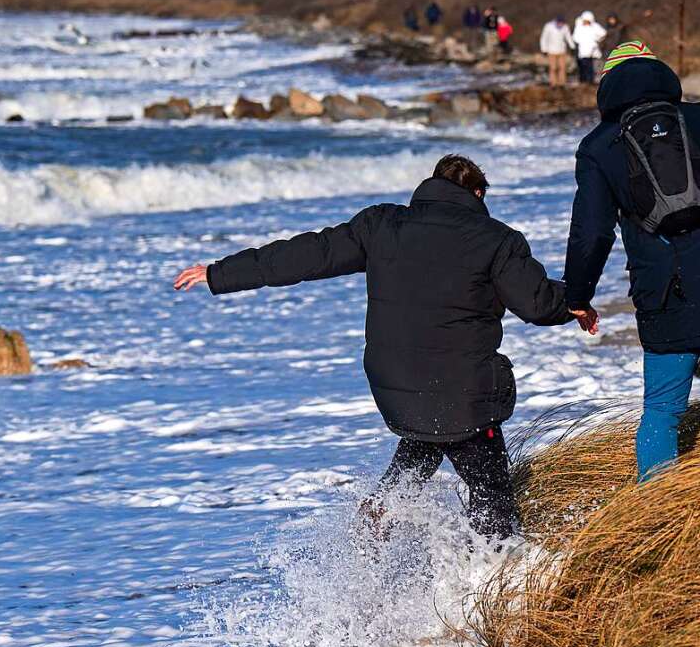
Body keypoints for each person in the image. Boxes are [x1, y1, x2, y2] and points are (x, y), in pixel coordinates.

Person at [174, 155, 578, 539]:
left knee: (428, 434)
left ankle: (379, 512)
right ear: (477, 195)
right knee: (493, 502)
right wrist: (577, 301)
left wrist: (219, 273)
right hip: (463, 392)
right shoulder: (496, 240)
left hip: (397, 386)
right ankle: (492, 581)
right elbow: (538, 304)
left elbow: (306, 255)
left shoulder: (382, 224)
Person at [564, 42, 700, 481]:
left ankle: (655, 529)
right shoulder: (697, 118)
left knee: (663, 412)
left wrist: (578, 296)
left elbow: (593, 231)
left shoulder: (599, 146)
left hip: (664, 295)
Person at [539, 15, 576, 87]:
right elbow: (544, 38)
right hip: (551, 51)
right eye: (559, 22)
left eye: (562, 23)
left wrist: (572, 47)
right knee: (553, 68)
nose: (560, 24)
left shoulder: (565, 27)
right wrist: (544, 49)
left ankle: (562, 83)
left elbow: (568, 37)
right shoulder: (548, 27)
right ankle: (553, 83)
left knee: (562, 67)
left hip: (562, 51)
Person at [572, 10, 607, 84]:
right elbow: (575, 38)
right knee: (584, 67)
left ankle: (591, 81)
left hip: (592, 51)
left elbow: (603, 33)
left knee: (592, 67)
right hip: (583, 51)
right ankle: (584, 81)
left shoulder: (595, 26)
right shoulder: (579, 27)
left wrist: (597, 39)